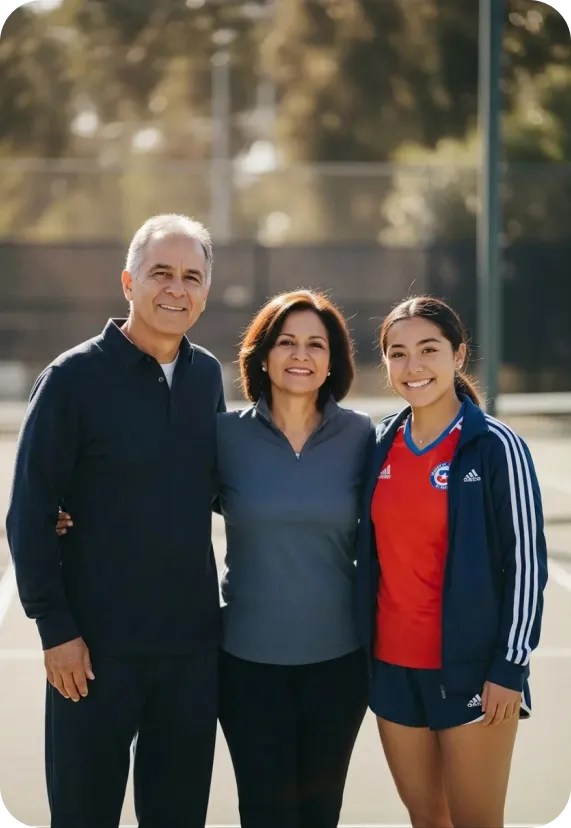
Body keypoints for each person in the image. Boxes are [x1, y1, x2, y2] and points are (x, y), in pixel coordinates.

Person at [59, 288, 373, 828]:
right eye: (287, 342)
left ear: (333, 361)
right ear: (263, 355)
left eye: (316, 345)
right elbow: (158, 488)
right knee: (265, 814)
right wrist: (69, 509)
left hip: (339, 666)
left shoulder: (364, 436)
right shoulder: (224, 435)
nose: (301, 355)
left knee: (321, 815)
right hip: (246, 667)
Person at [6, 214, 225, 828]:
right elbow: (28, 511)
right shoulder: (71, 379)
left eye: (191, 276)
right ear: (129, 281)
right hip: (92, 655)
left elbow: (205, 488)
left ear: (205, 293)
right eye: (161, 273)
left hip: (189, 655)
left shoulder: (207, 376)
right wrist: (55, 630)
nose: (176, 289)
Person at [355, 296, 548, 828]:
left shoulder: (494, 446)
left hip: (474, 674)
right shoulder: (378, 444)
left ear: (458, 355)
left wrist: (510, 666)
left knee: (477, 821)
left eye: (428, 349)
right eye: (398, 353)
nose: (413, 366)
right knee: (426, 819)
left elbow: (527, 564)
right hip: (392, 671)